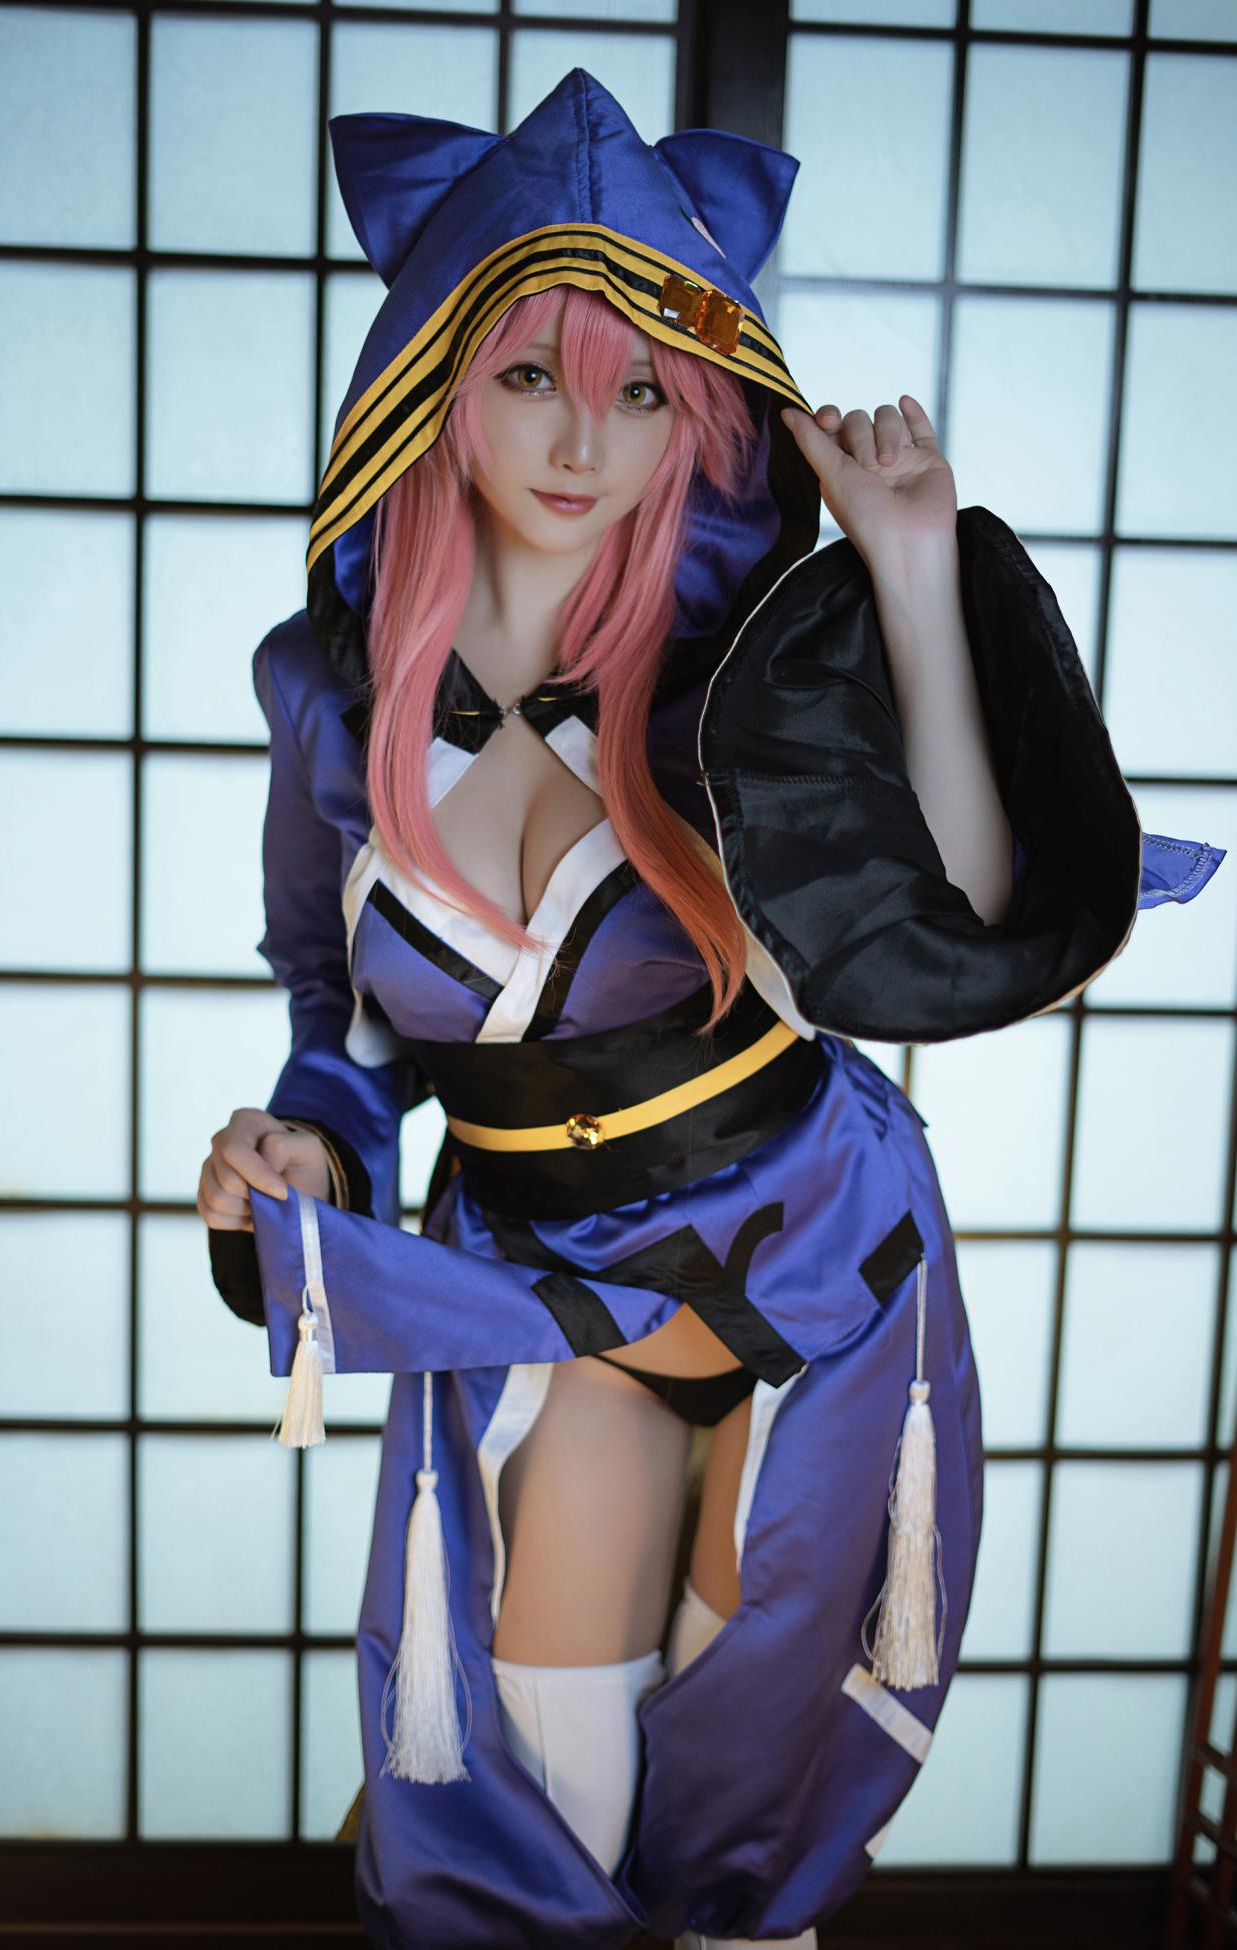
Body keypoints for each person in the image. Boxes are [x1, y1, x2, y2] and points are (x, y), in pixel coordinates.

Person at [197, 69, 1225, 1950]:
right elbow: (344, 1025)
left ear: (699, 412)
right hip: (542, 1280)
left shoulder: (741, 673)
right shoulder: (330, 704)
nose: (583, 436)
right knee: (540, 1787)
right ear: (430, 382)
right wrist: (300, 1153)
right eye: (529, 373)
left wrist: (909, 568)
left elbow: (962, 912)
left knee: (746, 1817)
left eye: (641, 389)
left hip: (806, 1261)